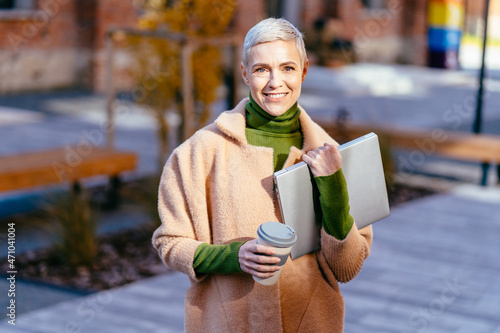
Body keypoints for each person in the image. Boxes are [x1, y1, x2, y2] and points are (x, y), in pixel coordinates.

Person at [153, 17, 373, 332]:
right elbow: (170, 242)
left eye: (287, 68)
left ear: (304, 71)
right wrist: (232, 257)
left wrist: (333, 185)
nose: (275, 82)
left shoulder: (335, 156)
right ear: (244, 72)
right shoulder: (197, 153)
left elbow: (347, 267)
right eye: (261, 69)